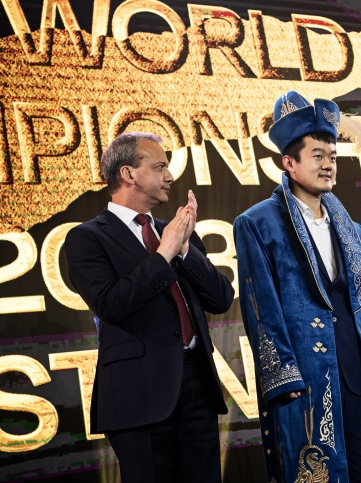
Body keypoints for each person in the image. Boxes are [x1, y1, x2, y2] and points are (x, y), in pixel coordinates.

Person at [233, 91, 361, 482]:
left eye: (332, 157)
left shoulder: (351, 228)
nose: (328, 165)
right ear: (289, 163)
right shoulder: (258, 223)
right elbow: (260, 305)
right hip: (308, 376)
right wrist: (283, 375)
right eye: (317, 156)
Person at [65, 132, 234, 483]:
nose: (170, 176)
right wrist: (163, 254)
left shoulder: (174, 230)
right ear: (128, 174)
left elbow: (220, 299)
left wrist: (186, 249)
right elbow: (111, 305)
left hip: (196, 388)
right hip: (138, 395)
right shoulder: (87, 237)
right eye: (159, 167)